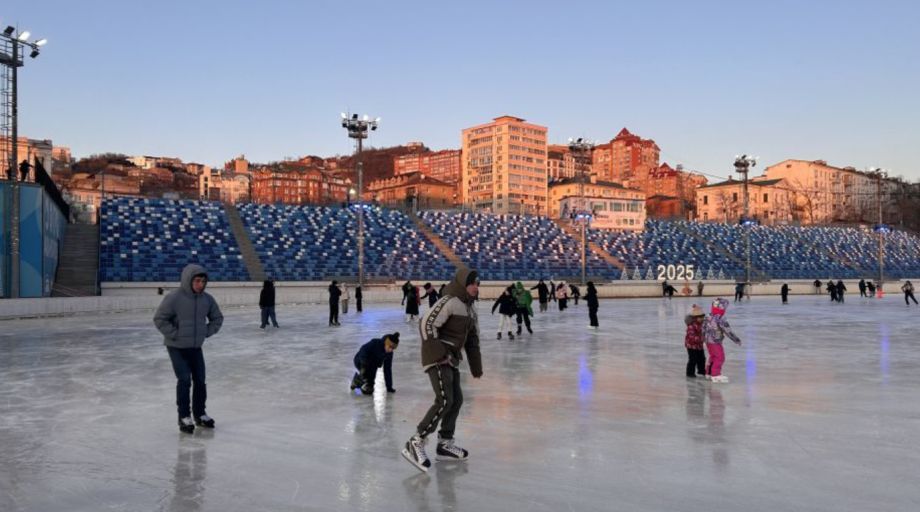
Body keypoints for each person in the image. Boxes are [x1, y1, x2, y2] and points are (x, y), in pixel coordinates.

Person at [402, 268, 483, 473]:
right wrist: (439, 353)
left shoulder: (470, 309)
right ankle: (416, 441)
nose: (476, 287)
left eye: (478, 284)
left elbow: (472, 340)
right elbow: (426, 324)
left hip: (451, 359)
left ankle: (445, 443)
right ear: (463, 284)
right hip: (438, 356)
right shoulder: (449, 301)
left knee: (457, 400)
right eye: (472, 283)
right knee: (445, 399)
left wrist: (476, 367)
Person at [154, 264, 224, 434]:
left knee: (200, 380)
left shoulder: (207, 299)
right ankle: (184, 416)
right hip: (176, 347)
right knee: (184, 380)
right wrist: (175, 334)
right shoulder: (174, 298)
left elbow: (217, 318)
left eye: (203, 281)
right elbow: (160, 319)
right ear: (188, 280)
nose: (201, 284)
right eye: (197, 281)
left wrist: (205, 332)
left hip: (195, 347)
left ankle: (200, 414)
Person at [703, 298, 741, 383]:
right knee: (720, 357)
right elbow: (728, 331)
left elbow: (703, 328)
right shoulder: (720, 318)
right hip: (715, 341)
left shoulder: (708, 315)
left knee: (713, 356)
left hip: (708, 341)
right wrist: (736, 340)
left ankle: (708, 373)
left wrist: (703, 339)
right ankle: (715, 374)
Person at [684, 304, 706, 378]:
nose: (702, 319)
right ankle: (690, 373)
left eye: (702, 317)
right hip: (691, 346)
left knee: (702, 359)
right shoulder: (691, 326)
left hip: (699, 345)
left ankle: (701, 371)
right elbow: (691, 337)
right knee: (693, 359)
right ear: (695, 318)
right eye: (700, 318)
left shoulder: (701, 324)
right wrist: (702, 339)